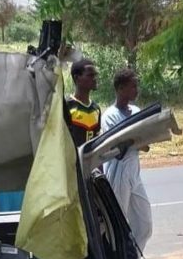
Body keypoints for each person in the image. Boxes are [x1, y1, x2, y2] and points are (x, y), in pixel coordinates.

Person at [100, 67, 153, 249]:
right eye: (132, 87)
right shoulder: (110, 116)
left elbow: (143, 145)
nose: (136, 90)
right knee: (117, 224)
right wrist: (136, 139)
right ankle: (113, 258)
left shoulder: (137, 110)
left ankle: (133, 257)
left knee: (144, 224)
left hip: (134, 172)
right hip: (118, 172)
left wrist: (135, 139)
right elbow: (119, 147)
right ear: (120, 89)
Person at [63, 59, 101, 148]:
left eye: (95, 75)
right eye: (90, 75)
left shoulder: (96, 109)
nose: (95, 79)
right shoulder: (67, 107)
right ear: (77, 78)